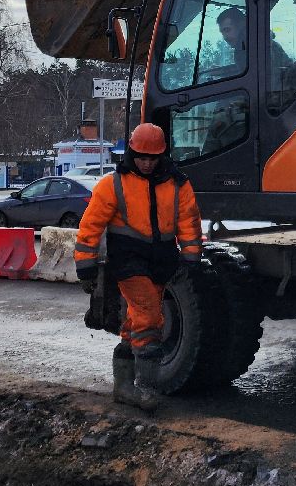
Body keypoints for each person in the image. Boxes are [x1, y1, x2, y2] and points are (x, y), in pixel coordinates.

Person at [74, 122, 203, 412]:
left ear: (161, 156)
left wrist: (192, 257)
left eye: (152, 157)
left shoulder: (178, 184)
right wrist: (86, 266)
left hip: (161, 263)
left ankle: (123, 387)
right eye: (141, 156)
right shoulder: (113, 184)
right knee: (149, 318)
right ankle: (146, 388)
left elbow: (189, 222)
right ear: (131, 152)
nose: (146, 162)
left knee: (134, 323)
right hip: (128, 262)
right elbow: (91, 226)